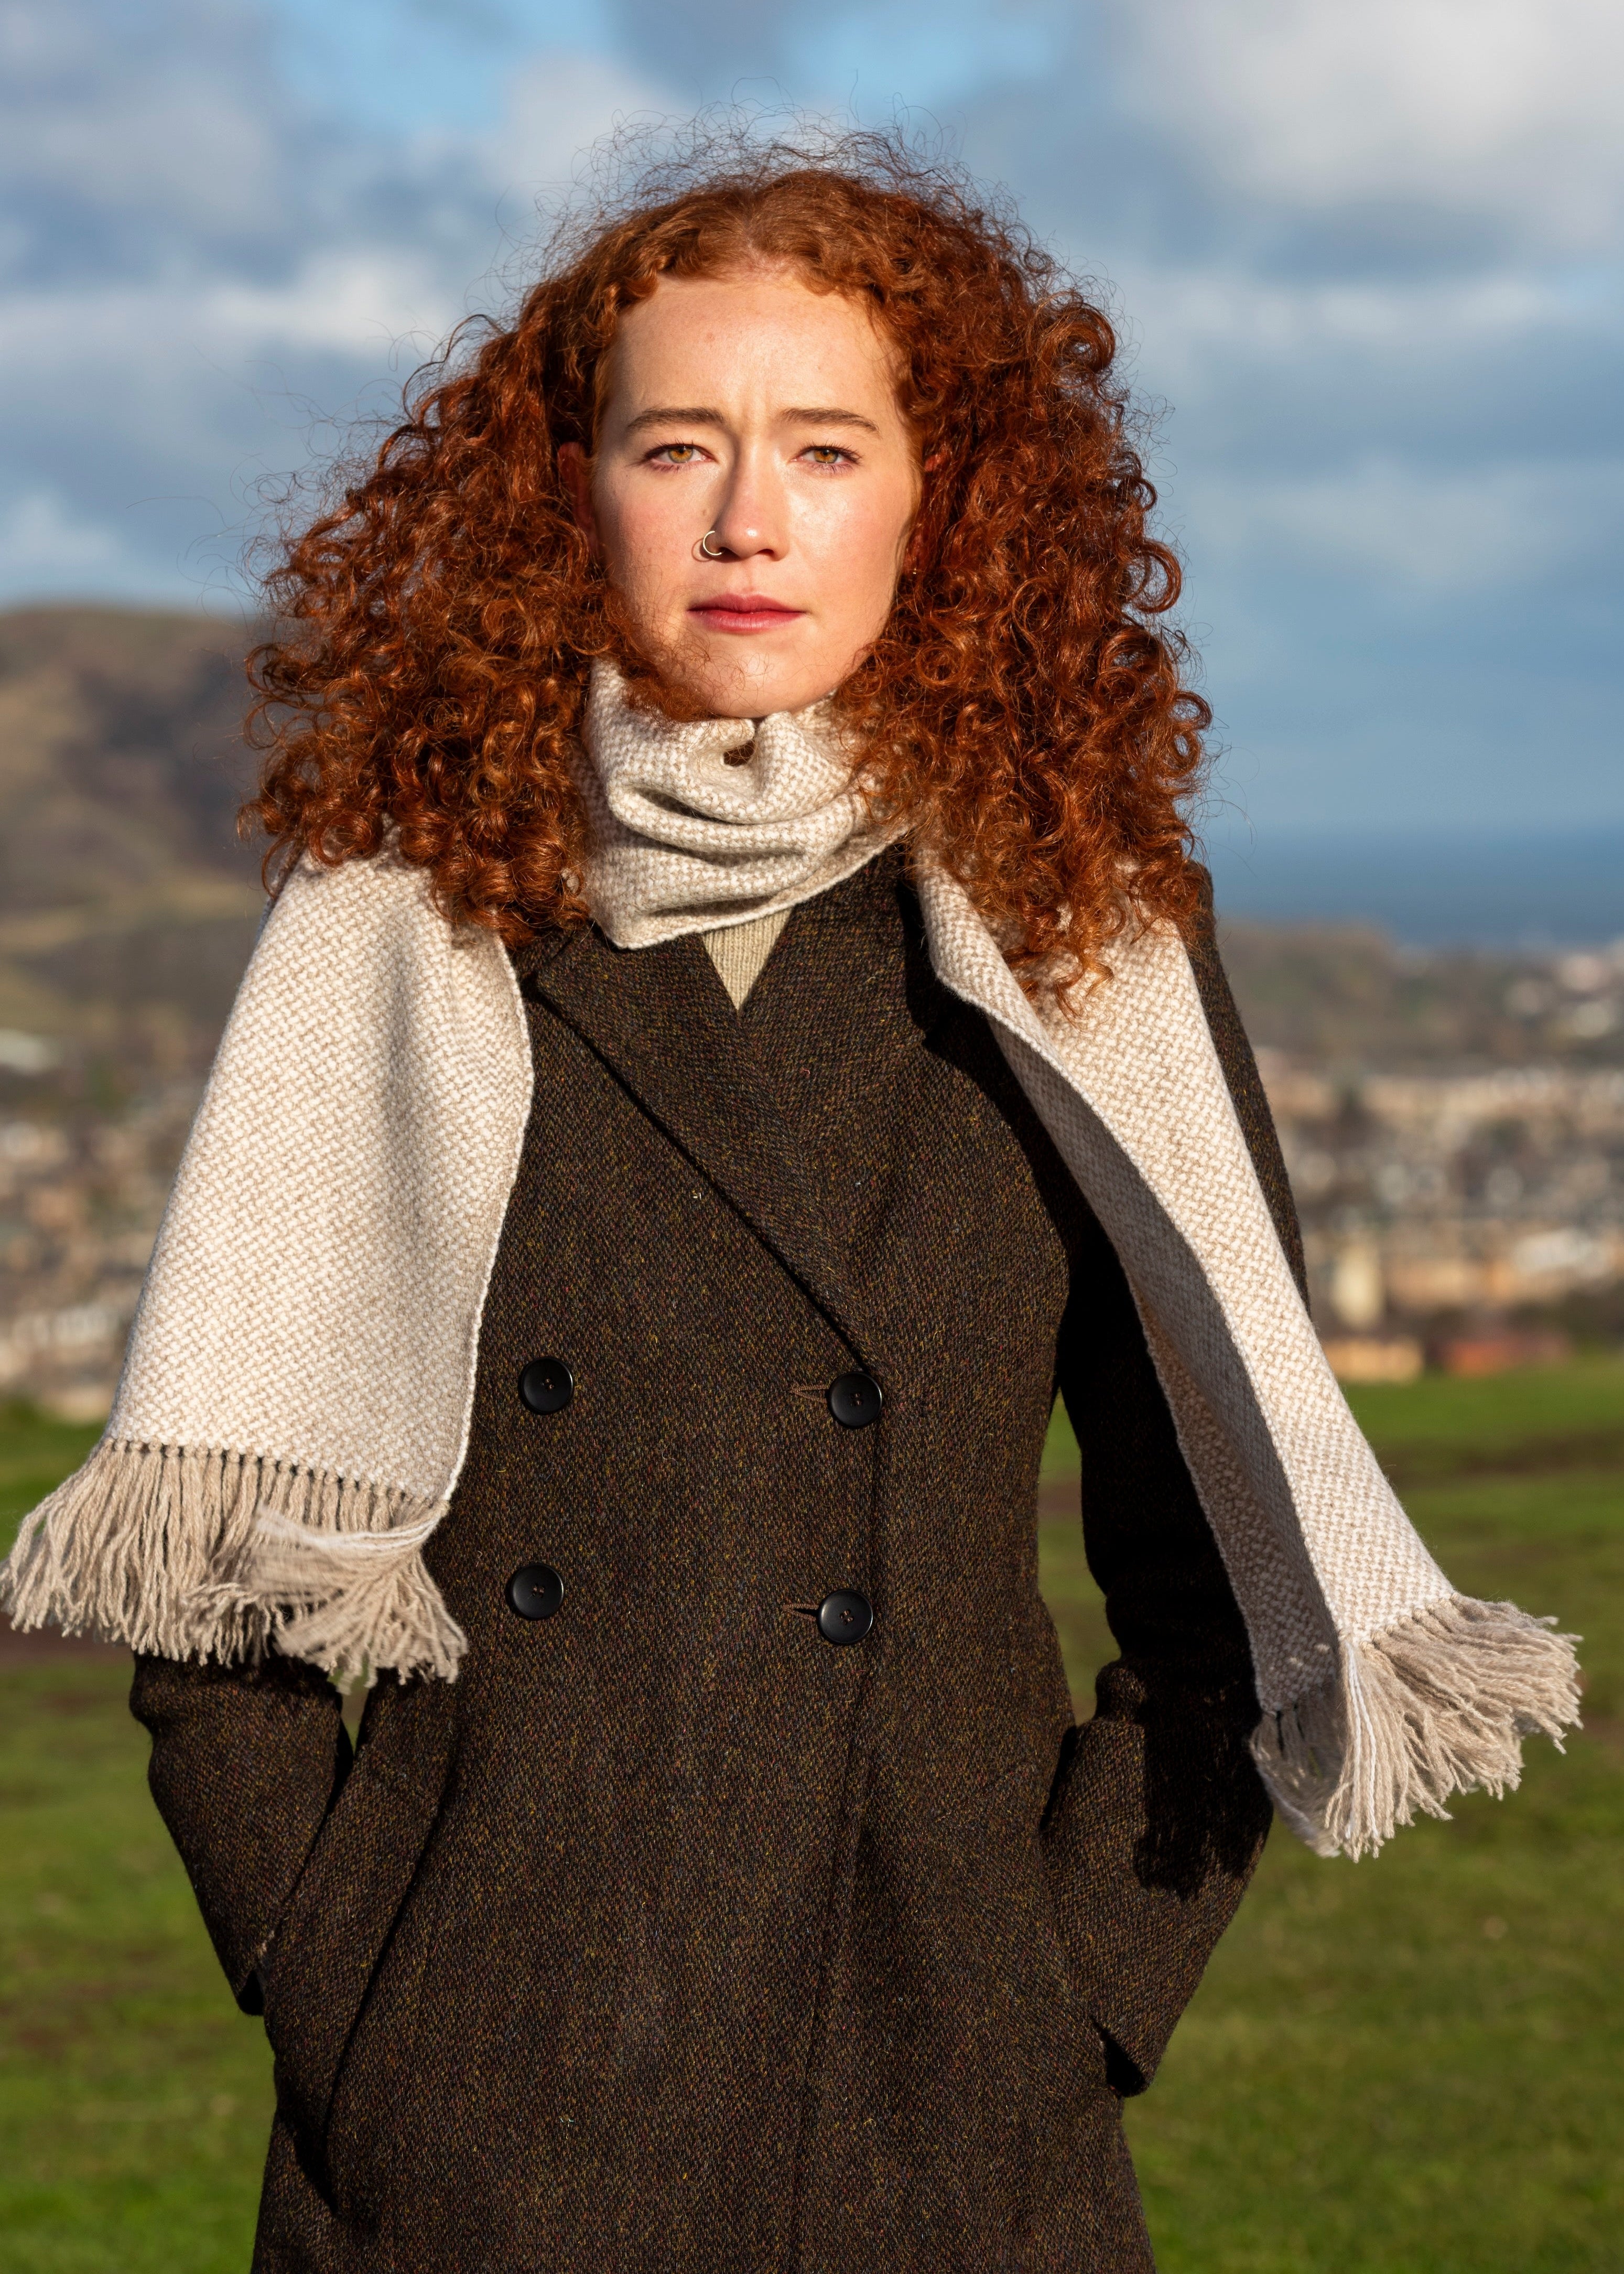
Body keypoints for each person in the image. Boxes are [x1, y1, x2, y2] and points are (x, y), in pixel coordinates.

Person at [2, 134, 1578, 2273]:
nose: (749, 516)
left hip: (939, 2095)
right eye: (679, 443)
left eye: (826, 446)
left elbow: (1206, 1561)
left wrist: (1072, 1991)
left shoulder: (1083, 943)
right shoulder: (398, 923)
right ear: (573, 489)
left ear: (942, 500)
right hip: (468, 2091)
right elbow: (228, 1581)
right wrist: (336, 1957)